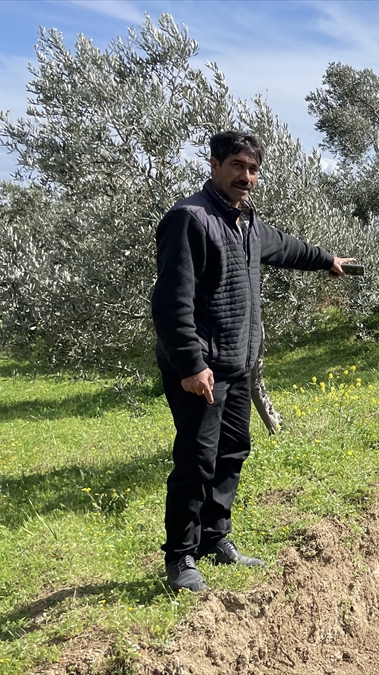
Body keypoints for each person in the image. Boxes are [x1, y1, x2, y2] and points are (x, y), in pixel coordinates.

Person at [151, 130, 352, 592]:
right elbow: (171, 303)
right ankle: (180, 558)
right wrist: (189, 365)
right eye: (238, 166)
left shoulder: (245, 222)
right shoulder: (190, 219)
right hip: (203, 368)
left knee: (232, 452)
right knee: (197, 460)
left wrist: (326, 260)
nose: (247, 177)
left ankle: (215, 539)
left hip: (238, 365)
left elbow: (285, 247)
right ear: (215, 164)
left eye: (253, 169)